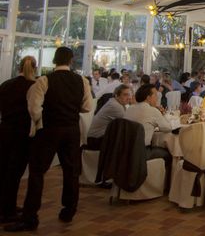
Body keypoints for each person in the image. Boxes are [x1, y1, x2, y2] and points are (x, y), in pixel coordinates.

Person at [6, 48, 92, 232]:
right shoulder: (82, 81)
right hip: (71, 130)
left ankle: (30, 218)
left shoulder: (44, 80)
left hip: (50, 130)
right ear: (71, 61)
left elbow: (34, 108)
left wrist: (40, 121)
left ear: (54, 60)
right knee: (71, 172)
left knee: (37, 172)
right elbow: (87, 106)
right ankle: (69, 210)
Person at [0, 56, 37, 224]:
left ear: (19, 67)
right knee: (14, 174)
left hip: (4, 131)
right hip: (22, 135)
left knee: (3, 171)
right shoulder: (33, 87)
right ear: (34, 68)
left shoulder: (6, 84)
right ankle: (8, 211)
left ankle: (5, 207)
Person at [123, 84, 172, 165]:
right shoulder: (152, 110)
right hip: (142, 152)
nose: (157, 98)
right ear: (148, 98)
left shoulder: (130, 108)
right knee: (169, 154)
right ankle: (160, 177)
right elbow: (168, 128)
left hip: (125, 149)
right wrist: (162, 114)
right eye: (155, 95)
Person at [86, 84, 131, 150]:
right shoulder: (115, 106)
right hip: (95, 140)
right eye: (125, 95)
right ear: (117, 96)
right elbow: (129, 124)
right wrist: (134, 104)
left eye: (129, 94)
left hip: (96, 138)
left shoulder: (115, 102)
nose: (129, 97)